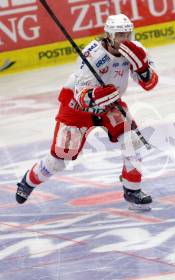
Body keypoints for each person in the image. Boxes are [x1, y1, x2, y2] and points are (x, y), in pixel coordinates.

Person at [15, 14, 159, 210]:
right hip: (78, 109)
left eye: (127, 34)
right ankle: (28, 182)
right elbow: (79, 94)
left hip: (110, 105)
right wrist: (96, 94)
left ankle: (132, 190)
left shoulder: (137, 50)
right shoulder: (92, 54)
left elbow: (149, 84)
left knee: (132, 141)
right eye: (119, 35)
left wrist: (142, 68)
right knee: (59, 159)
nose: (124, 39)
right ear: (108, 35)